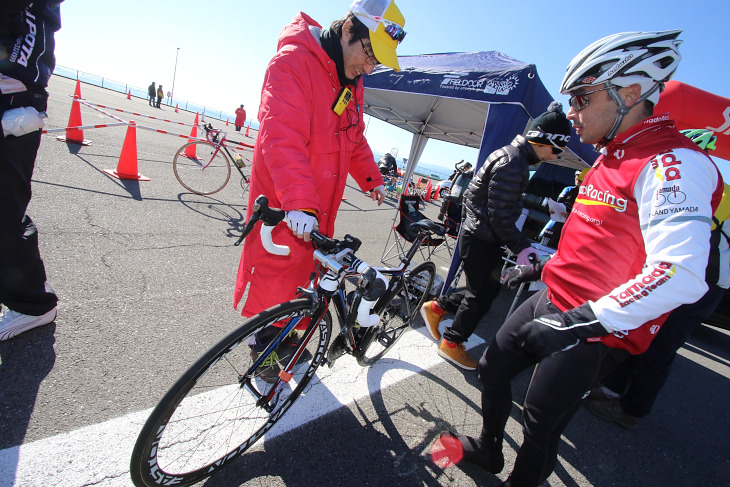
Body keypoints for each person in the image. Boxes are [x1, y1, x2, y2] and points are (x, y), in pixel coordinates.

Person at [437, 30, 724, 487]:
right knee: (492, 369)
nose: (571, 114)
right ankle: (491, 450)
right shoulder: (610, 156)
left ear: (631, 93)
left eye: (582, 98)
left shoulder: (673, 162)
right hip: (556, 295)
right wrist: (545, 266)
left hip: (597, 323)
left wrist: (579, 323)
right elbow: (600, 244)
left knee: (540, 421)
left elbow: (681, 272)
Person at [233, 0, 407, 378]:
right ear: (348, 31)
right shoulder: (293, 62)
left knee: (305, 281)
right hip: (288, 199)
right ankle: (266, 354)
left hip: (318, 205)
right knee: (276, 280)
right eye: (369, 53)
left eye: (377, 61)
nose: (369, 66)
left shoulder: (352, 81)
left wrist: (371, 178)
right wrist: (298, 202)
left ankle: (285, 344)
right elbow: (281, 136)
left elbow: (354, 136)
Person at [584, 129, 730, 431]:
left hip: (696, 283)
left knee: (659, 344)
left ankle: (630, 409)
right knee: (644, 334)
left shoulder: (704, 186)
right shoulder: (716, 185)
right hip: (708, 282)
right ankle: (611, 392)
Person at [420, 102, 570, 370]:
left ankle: (437, 308)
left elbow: (497, 206)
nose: (555, 156)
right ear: (540, 139)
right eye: (555, 149)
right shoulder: (514, 161)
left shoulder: (514, 156)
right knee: (482, 296)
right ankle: (451, 342)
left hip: (481, 234)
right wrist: (522, 246)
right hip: (481, 237)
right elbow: (500, 213)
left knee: (485, 291)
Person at [0, 1, 62, 340]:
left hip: (15, 84)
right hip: (16, 80)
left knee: (5, 207)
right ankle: (21, 287)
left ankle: (32, 302)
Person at [538, 167, 589, 248]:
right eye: (576, 175)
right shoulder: (569, 190)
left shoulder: (589, 197)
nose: (577, 179)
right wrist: (551, 210)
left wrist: (570, 216)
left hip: (570, 232)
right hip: (555, 225)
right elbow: (557, 205)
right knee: (544, 244)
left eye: (580, 179)